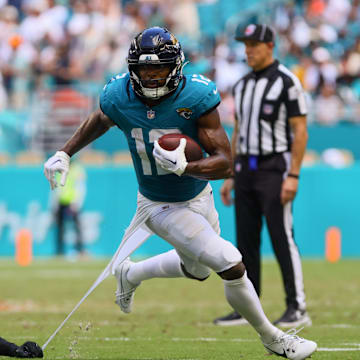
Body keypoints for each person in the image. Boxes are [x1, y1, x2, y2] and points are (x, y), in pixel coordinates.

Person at [44, 27, 317, 359]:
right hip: (158, 204)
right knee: (229, 262)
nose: (151, 76)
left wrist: (186, 167)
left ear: (175, 66)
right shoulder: (119, 95)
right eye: (144, 69)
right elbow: (101, 119)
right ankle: (274, 339)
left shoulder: (196, 97)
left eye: (158, 68)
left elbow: (226, 163)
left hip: (199, 195)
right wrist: (65, 152)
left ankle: (130, 272)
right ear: (133, 69)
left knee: (199, 269)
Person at [213, 24, 311, 328]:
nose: (248, 50)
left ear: (270, 46)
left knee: (282, 237)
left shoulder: (287, 82)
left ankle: (297, 307)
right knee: (245, 241)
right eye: (246, 45)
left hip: (274, 168)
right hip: (245, 170)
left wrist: (293, 174)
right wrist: (230, 173)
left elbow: (300, 130)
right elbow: (239, 131)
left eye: (254, 44)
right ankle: (248, 308)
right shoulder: (242, 85)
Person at [52, 161, 86, 256]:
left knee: (77, 228)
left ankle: (80, 249)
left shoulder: (77, 169)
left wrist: (77, 202)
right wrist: (54, 204)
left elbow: (81, 187)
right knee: (60, 228)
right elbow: (55, 187)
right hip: (61, 202)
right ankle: (59, 251)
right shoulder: (59, 169)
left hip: (73, 202)